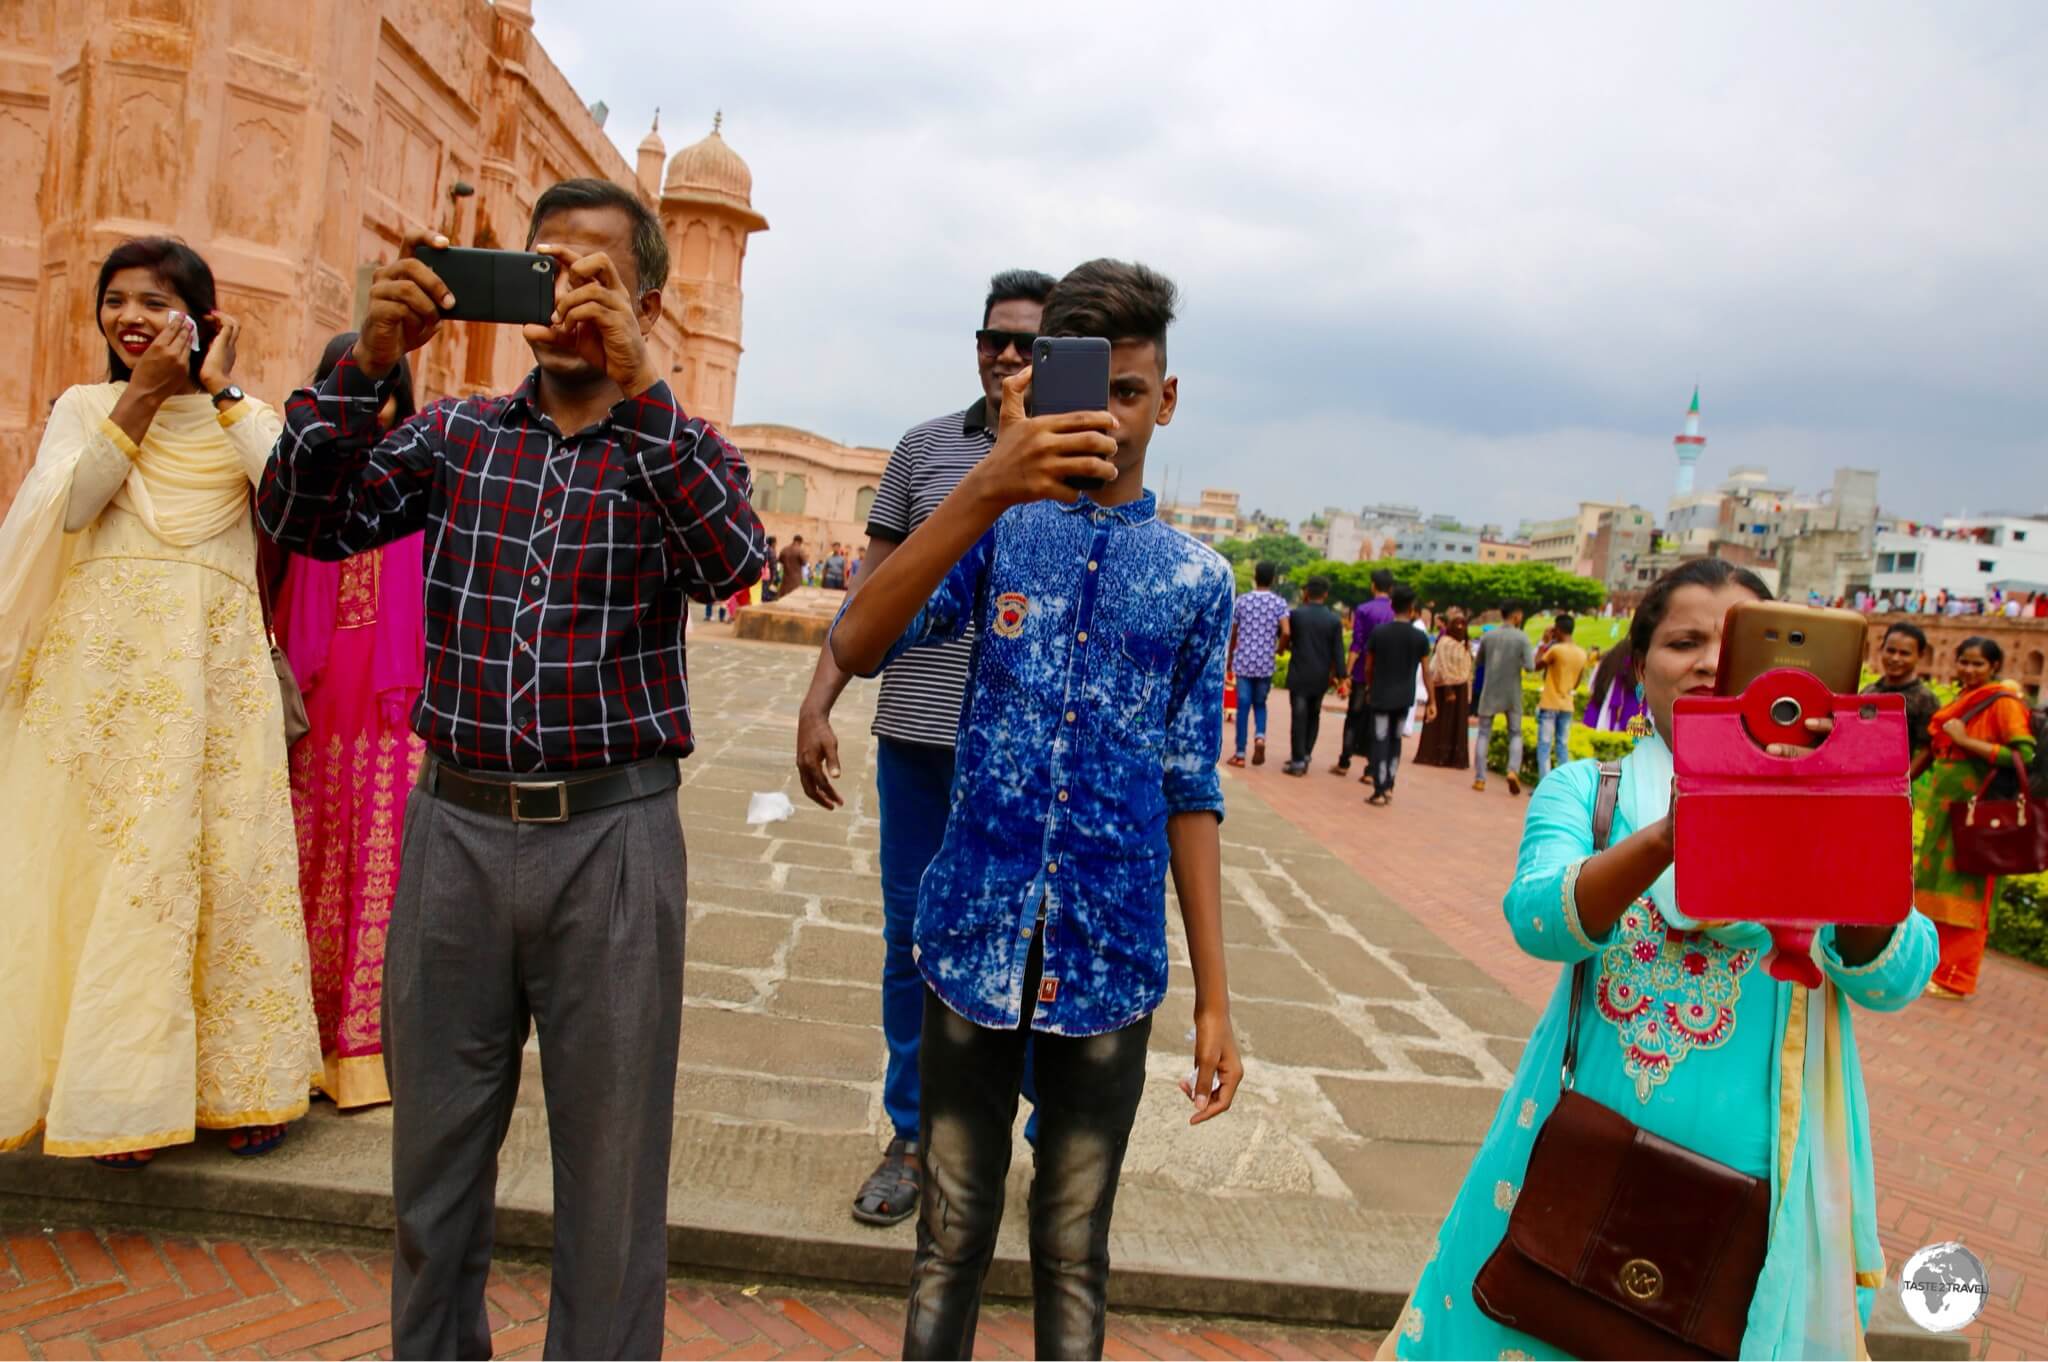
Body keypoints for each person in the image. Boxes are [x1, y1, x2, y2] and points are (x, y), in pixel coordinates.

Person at [259, 179, 768, 1359]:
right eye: (545, 266)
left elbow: (729, 566)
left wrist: (643, 390)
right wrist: (362, 360)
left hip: (614, 843)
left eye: (593, 272)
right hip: (454, 835)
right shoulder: (452, 437)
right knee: (431, 1174)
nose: (565, 292)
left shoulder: (682, 451)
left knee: (611, 1185)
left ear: (645, 301)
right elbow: (303, 516)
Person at [829, 259, 1242, 1360]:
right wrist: (986, 486)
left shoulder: (1199, 579)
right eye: (1083, 387)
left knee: (1072, 1250)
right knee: (949, 1238)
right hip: (968, 941)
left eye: (1126, 389)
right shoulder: (999, 532)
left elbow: (1189, 786)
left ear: (1164, 400)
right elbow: (858, 642)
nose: (1104, 414)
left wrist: (1213, 995)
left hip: (1109, 962)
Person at [1384, 557, 1937, 1360]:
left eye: (1736, 644)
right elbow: (1539, 918)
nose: (1711, 662)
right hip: (1587, 1153)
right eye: (1684, 642)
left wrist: (1839, 821)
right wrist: (1673, 834)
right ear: (1642, 669)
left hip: (1763, 1185)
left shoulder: (1839, 803)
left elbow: (1896, 976)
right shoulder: (1589, 791)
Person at [0, 237, 320, 1166]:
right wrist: (140, 395)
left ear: (200, 317)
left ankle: (241, 1085)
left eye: (154, 301)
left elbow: (291, 494)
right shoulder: (85, 407)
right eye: (115, 301)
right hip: (103, 676)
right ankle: (113, 1092)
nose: (130, 317)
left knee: (225, 860)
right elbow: (69, 506)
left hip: (213, 678)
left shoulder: (243, 415)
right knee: (117, 869)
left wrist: (218, 393)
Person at [794, 266, 1058, 1228]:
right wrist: (819, 698)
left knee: (1033, 949)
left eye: (1029, 342)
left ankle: (1043, 1142)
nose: (1007, 356)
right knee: (914, 942)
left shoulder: (1080, 454)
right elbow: (870, 596)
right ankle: (912, 1133)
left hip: (1029, 765)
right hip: (918, 742)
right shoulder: (923, 452)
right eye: (994, 338)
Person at [272, 333, 428, 1111]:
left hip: (396, 711)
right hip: (315, 709)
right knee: (305, 866)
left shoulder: (422, 477)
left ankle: (366, 1052)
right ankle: (294, 1043)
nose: (371, 403)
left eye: (382, 386)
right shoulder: (297, 477)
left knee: (382, 873)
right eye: (351, 386)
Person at [1913, 637, 2037, 1000]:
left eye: (1977, 664)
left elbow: (2023, 754)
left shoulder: (2003, 704)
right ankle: (1934, 968)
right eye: (1963, 662)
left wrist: (1966, 741)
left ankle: (1958, 978)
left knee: (1968, 897)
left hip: (1979, 816)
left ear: (1994, 668)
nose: (1968, 669)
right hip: (1946, 813)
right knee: (1937, 892)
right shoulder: (1961, 701)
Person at [1361, 586, 1432, 806]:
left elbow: (1369, 666)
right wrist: (1432, 700)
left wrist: (1370, 687)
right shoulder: (1419, 637)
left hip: (1381, 695)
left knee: (1380, 739)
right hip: (1404, 697)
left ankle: (1379, 788)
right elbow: (1427, 671)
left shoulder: (1379, 633)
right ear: (1412, 609)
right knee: (1396, 739)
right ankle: (1390, 785)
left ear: (1392, 606)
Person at [1471, 600, 1538, 796]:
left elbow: (1479, 661)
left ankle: (1480, 778)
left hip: (1490, 689)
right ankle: (1512, 770)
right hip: (1512, 691)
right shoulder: (1522, 638)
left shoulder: (1488, 636)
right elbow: (1530, 667)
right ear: (1516, 615)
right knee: (1515, 733)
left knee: (1483, 733)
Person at [1333, 568, 1395, 776]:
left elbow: (1356, 644)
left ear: (1373, 586)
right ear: (1391, 588)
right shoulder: (1395, 612)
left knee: (1353, 717)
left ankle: (1344, 761)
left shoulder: (1364, 609)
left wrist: (1347, 674)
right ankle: (1370, 769)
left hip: (1361, 673)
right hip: (1385, 675)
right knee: (1377, 721)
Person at [1227, 560, 1289, 767]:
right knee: (1260, 704)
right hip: (1265, 661)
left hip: (1244, 660)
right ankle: (1260, 737)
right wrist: (1278, 649)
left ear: (1255, 577)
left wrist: (1229, 658)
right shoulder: (1279, 603)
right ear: (1272, 579)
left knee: (1243, 706)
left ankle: (1240, 753)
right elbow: (1287, 631)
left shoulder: (1243, 601)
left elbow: (1233, 632)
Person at [1282, 575, 1346, 776]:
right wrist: (1341, 676)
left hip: (1299, 672)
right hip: (1320, 676)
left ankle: (1298, 759)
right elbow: (1338, 651)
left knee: (1298, 716)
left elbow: (1287, 639)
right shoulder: (1334, 620)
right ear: (1325, 595)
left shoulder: (1297, 615)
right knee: (1313, 715)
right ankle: (1306, 753)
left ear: (1307, 593)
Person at [1862, 622, 1939, 769]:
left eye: (1905, 653)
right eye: (1890, 651)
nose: (1895, 658)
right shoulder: (1869, 691)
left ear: (1920, 655)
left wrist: (1902, 782)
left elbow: (1929, 749)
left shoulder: (1924, 699)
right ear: (1881, 649)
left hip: (1890, 783)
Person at [1411, 606, 1473, 769]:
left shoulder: (1465, 645)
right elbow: (1442, 665)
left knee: (1455, 726)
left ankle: (1453, 758)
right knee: (1441, 724)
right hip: (1443, 688)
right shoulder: (1444, 643)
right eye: (1457, 624)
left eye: (1463, 625)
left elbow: (1467, 670)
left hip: (1461, 688)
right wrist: (1448, 688)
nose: (1460, 628)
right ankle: (1435, 755)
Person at [1533, 612, 1588, 781]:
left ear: (1557, 630)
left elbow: (1536, 665)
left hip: (1550, 703)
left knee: (1544, 746)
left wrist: (1544, 642)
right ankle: (1563, 786)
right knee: (1562, 747)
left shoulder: (1555, 650)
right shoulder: (1582, 653)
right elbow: (1577, 683)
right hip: (1567, 705)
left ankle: (1544, 784)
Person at [1584, 637, 1645, 734]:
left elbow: (1591, 688)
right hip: (1627, 717)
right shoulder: (1629, 671)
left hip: (1599, 715)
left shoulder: (1607, 664)